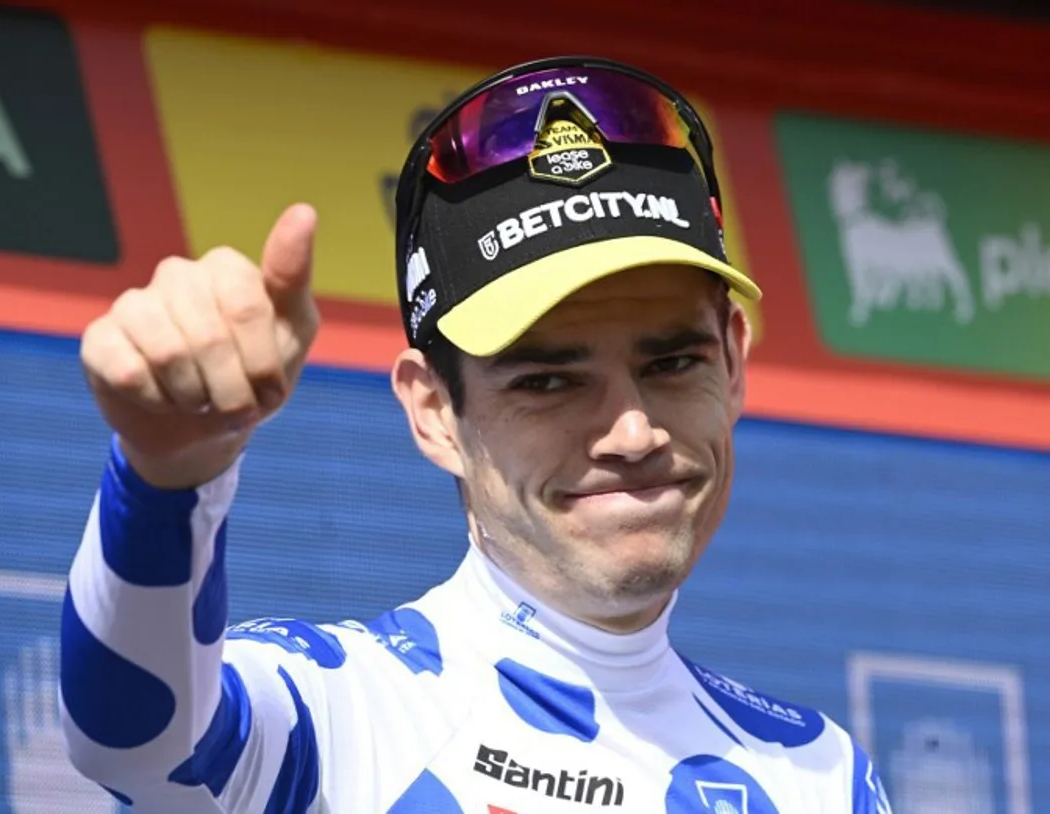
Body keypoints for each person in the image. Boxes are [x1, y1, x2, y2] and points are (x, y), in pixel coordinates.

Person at [60, 56, 893, 812]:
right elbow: (137, 744)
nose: (632, 431)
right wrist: (168, 471)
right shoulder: (337, 711)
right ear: (433, 413)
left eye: (673, 363)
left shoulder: (817, 778)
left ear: (735, 364)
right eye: (547, 382)